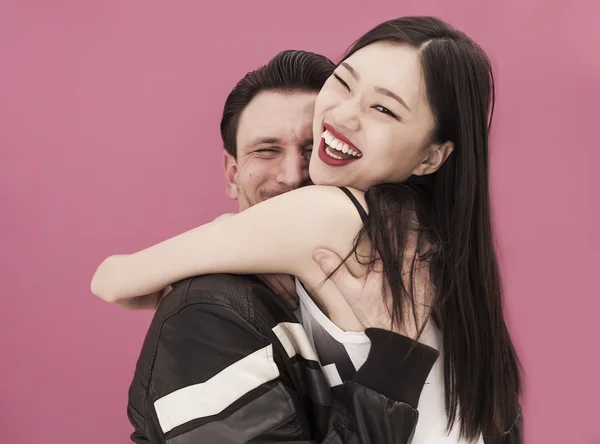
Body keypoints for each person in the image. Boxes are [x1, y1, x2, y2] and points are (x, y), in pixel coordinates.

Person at [93, 16, 523, 443]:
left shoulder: (330, 216)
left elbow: (113, 280)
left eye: (384, 109)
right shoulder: (450, 258)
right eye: (345, 82)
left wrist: (228, 235)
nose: (345, 115)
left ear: (432, 157)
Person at [121, 49, 437, 444]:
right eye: (266, 150)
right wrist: (393, 370)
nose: (292, 176)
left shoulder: (407, 280)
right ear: (233, 175)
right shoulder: (207, 315)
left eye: (313, 148)